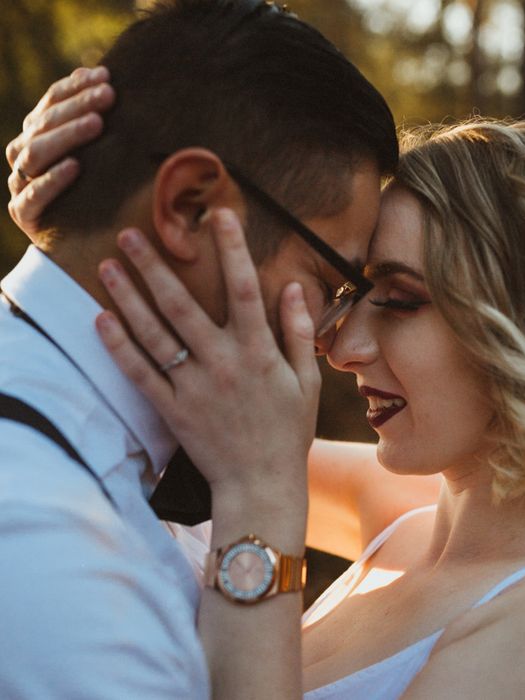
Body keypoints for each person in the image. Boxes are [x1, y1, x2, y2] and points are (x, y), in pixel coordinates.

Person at [14, 105, 525, 695]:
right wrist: (86, 230)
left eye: (400, 299)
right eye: (347, 293)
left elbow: (252, 472)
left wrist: (260, 501)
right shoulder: (398, 507)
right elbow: (170, 425)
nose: (339, 346)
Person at [0, 1, 399, 697]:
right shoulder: (54, 554)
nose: (332, 342)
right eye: (330, 282)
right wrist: (263, 498)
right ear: (188, 205)